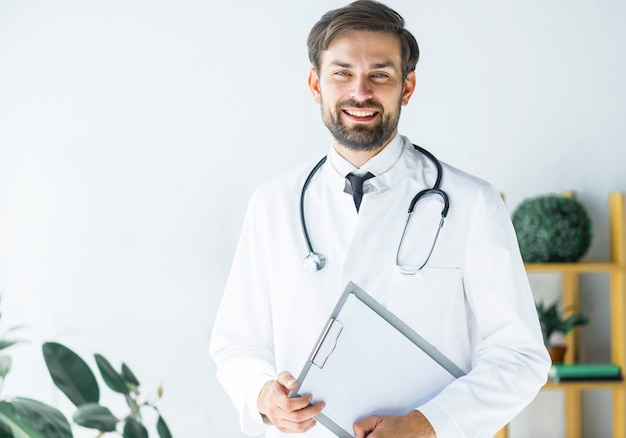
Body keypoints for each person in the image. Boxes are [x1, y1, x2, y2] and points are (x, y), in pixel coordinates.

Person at [210, 1, 551, 437]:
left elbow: (521, 357)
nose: (360, 92)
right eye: (342, 73)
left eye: (380, 74)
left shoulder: (472, 204)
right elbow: (236, 345)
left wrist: (427, 424)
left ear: (406, 87)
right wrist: (262, 395)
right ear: (316, 83)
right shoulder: (272, 203)